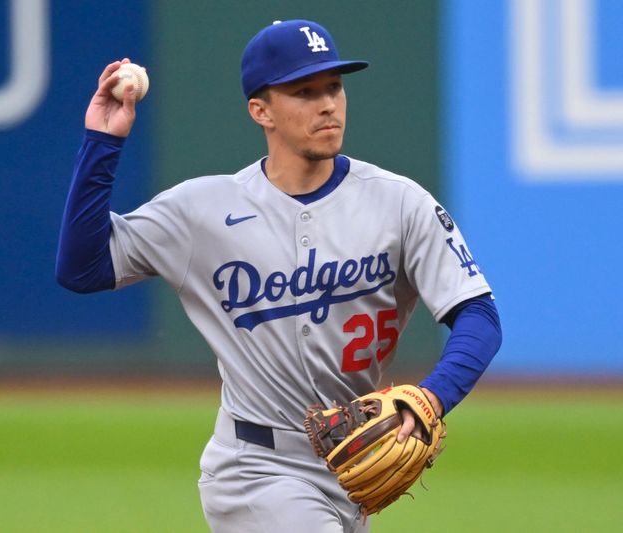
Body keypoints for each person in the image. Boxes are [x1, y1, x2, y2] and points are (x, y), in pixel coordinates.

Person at [56, 19, 501, 533]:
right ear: (260, 111)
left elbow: (479, 316)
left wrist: (434, 396)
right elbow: (82, 268)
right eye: (304, 91)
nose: (328, 104)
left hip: (352, 463)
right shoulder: (203, 210)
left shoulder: (399, 202)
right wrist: (101, 142)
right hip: (255, 470)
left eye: (333, 86)